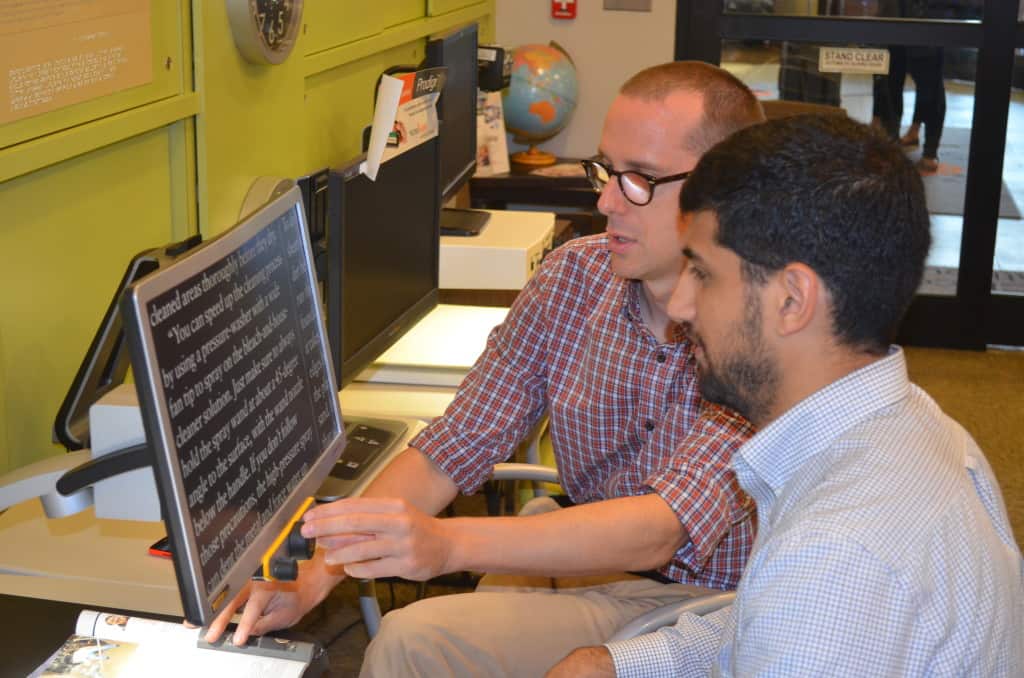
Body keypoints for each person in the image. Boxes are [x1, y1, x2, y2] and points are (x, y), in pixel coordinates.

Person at [205, 61, 766, 676]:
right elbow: (455, 443)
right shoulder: (572, 279)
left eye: (639, 179)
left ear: (726, 192)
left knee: (410, 640)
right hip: (585, 563)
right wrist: (312, 578)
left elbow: (662, 529)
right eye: (607, 169)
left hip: (710, 602)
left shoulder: (756, 326)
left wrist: (444, 545)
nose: (606, 199)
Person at [549, 114, 1024, 677]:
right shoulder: (920, 428)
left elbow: (803, 610)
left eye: (701, 273)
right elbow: (763, 622)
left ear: (793, 300)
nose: (679, 306)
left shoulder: (834, 557)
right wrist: (623, 665)